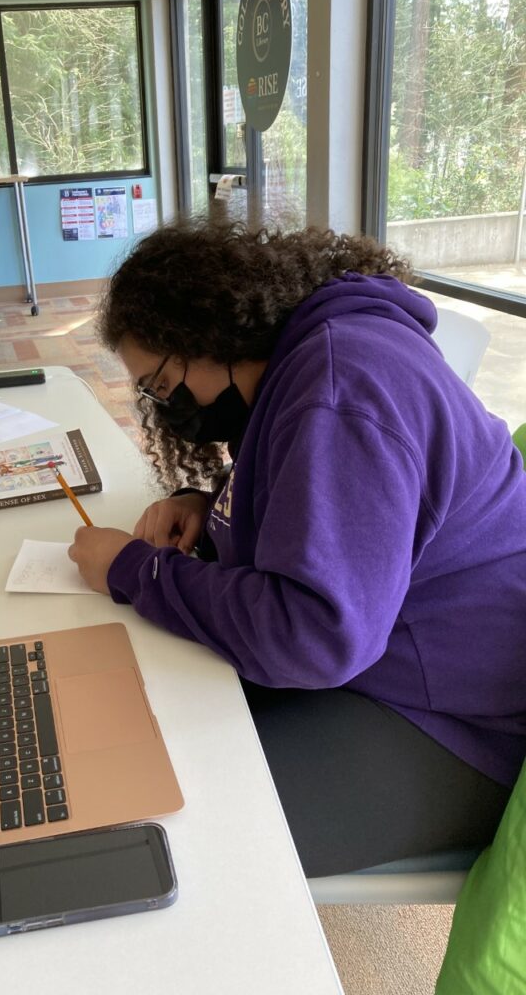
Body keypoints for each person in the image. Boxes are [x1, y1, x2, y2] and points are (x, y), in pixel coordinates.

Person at [68, 217, 526, 877]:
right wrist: (213, 504)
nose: (162, 405)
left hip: (459, 718)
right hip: (386, 655)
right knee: (137, 726)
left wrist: (134, 569)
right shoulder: (311, 354)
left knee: (173, 846)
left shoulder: (339, 386)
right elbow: (322, 493)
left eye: (161, 384)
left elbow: (309, 635)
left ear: (202, 334)